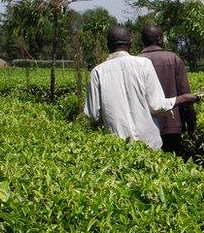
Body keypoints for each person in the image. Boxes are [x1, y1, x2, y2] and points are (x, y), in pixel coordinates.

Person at [84, 26, 197, 150]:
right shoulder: (143, 64)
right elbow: (157, 105)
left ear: (108, 45)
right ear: (130, 44)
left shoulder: (97, 72)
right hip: (149, 145)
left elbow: (93, 115)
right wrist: (182, 99)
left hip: (118, 149)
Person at [139, 25, 197, 155]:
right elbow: (185, 95)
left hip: (145, 126)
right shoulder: (173, 58)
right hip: (172, 125)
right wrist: (191, 123)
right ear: (160, 39)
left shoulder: (136, 62)